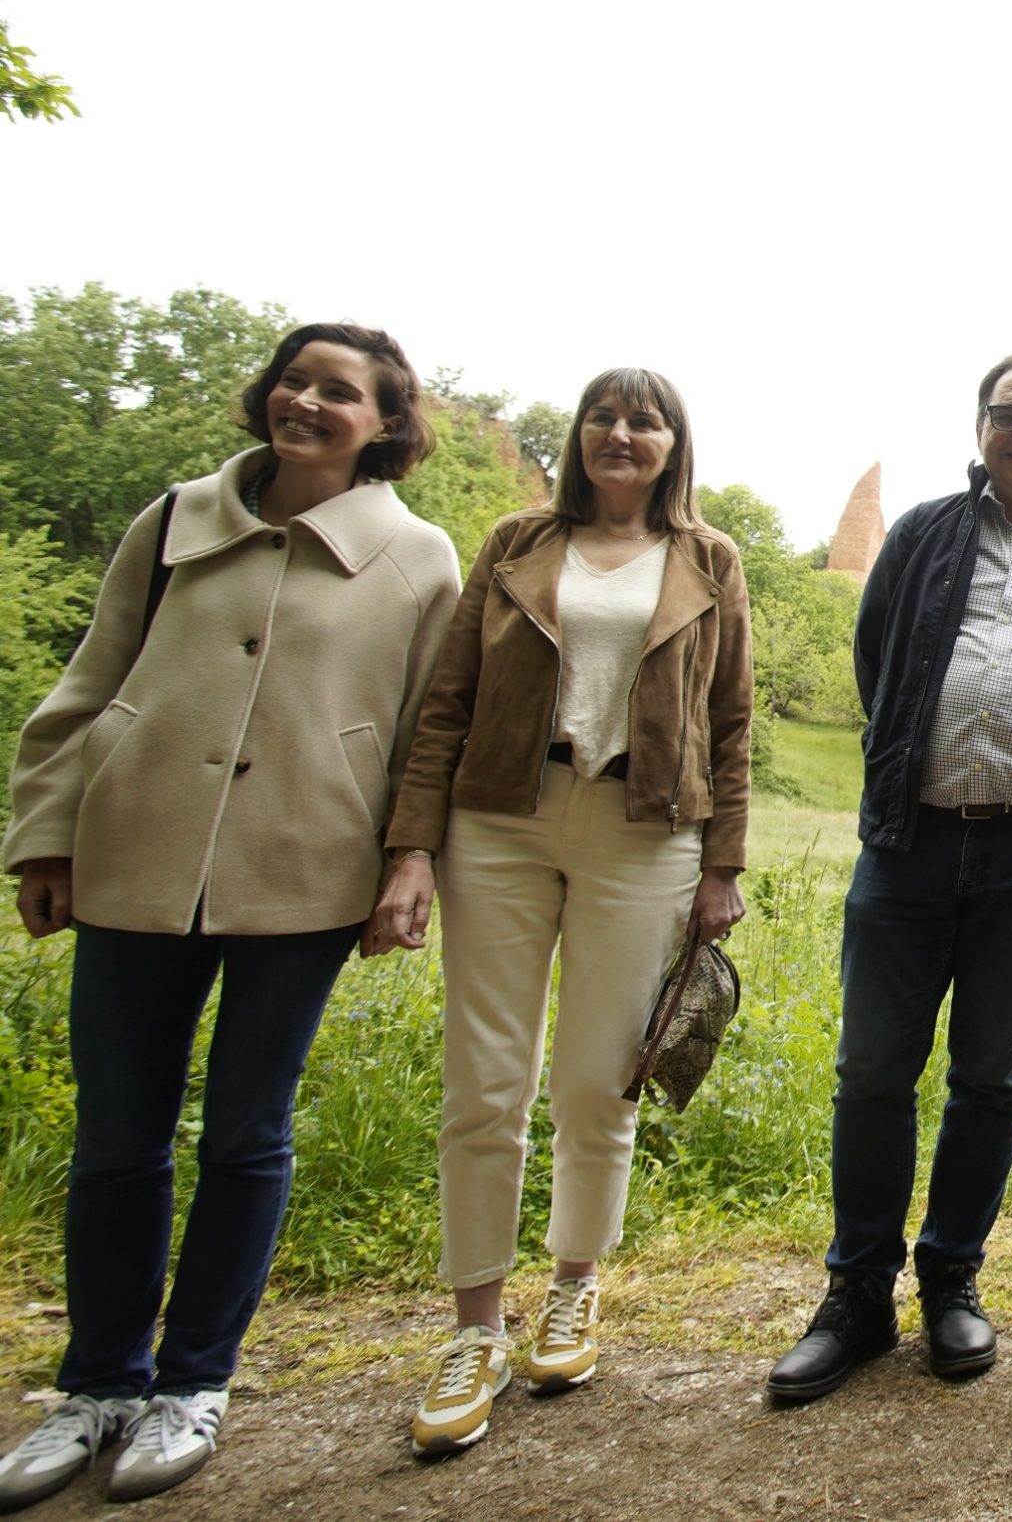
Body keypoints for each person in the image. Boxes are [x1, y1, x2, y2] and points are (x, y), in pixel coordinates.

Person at [0, 325, 459, 1509]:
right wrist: (44, 831)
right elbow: (91, 674)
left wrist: (411, 863)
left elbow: (423, 741)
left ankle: (192, 1383)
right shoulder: (173, 519)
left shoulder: (417, 558)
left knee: (247, 1133)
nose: (306, 400)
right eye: (294, 380)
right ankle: (96, 1384)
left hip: (304, 873)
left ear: (387, 422)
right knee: (117, 1137)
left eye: (340, 391)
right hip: (136, 856)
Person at [378, 367, 752, 1455]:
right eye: (604, 415)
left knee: (599, 1081)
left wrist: (721, 865)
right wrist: (411, 843)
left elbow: (729, 724)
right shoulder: (513, 544)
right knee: (484, 1077)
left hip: (645, 831)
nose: (621, 433)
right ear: (580, 434)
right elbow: (447, 700)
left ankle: (574, 1287)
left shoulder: (708, 559)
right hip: (500, 819)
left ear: (673, 443)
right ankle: (474, 1329)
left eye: (645, 419)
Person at [764, 354, 1012, 1402]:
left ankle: (951, 1282)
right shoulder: (927, 532)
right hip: (910, 844)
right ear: (980, 428)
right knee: (873, 1072)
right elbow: (878, 660)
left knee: (990, 1079)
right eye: (1009, 413)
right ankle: (856, 1297)